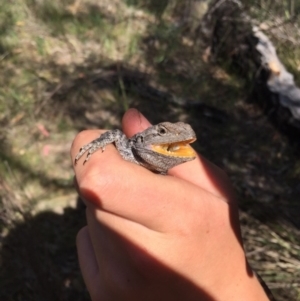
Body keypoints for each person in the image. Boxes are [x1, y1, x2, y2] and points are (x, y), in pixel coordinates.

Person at [71, 108, 270, 301]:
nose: (173, 137)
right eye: (163, 132)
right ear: (142, 138)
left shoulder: (167, 176)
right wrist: (96, 145)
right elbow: (114, 133)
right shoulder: (129, 150)